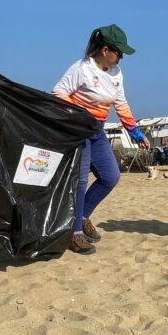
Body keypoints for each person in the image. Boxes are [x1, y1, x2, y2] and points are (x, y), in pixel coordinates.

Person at [53, 24, 150, 255]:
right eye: (119, 52)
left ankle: (82, 216)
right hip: (78, 129)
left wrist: (135, 132)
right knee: (80, 181)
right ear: (105, 50)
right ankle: (74, 233)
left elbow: (121, 103)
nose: (121, 58)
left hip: (97, 131)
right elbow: (58, 93)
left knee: (110, 176)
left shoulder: (116, 73)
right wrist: (79, 114)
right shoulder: (81, 68)